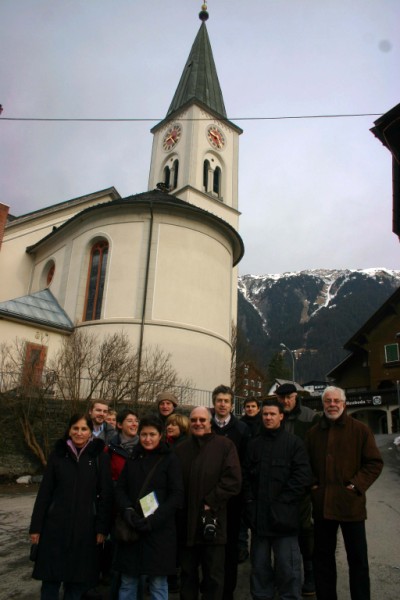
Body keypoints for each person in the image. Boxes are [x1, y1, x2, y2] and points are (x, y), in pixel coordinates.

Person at [305, 386, 383, 600]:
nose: (332, 404)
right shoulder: (313, 434)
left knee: (358, 560)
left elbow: (374, 463)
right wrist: (314, 486)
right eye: (328, 401)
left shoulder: (359, 430)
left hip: (351, 506)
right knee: (323, 560)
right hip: (323, 506)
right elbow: (305, 465)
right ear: (323, 405)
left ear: (344, 404)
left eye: (336, 401)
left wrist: (356, 485)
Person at [29, 413, 113, 600]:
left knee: (76, 584)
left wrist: (101, 528)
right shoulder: (58, 455)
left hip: (86, 528)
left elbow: (106, 496)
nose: (79, 433)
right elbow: (45, 492)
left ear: (91, 432)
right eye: (75, 428)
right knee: (50, 581)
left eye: (84, 429)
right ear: (69, 430)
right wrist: (36, 526)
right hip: (55, 527)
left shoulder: (99, 457)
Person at [243, 399, 312, 600]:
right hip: (259, 521)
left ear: (281, 416)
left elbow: (302, 478)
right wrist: (249, 503)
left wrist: (282, 503)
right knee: (260, 569)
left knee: (288, 569)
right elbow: (245, 476)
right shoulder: (254, 445)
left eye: (273, 414)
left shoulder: (294, 444)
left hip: (285, 520)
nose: (268, 417)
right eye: (265, 414)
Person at [174, 406, 242, 600]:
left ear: (210, 422)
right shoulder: (180, 449)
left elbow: (233, 480)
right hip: (186, 523)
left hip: (212, 521)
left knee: (213, 576)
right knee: (187, 575)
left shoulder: (225, 446)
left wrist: (210, 501)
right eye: (194, 420)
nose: (198, 423)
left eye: (202, 420)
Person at [113, 416, 184, 600]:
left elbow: (176, 495)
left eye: (152, 434)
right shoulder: (133, 458)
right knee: (128, 582)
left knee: (158, 584)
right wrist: (127, 510)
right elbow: (120, 489)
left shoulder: (170, 460)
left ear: (160, 435)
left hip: (159, 531)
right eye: (143, 434)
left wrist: (154, 520)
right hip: (133, 529)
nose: (147, 439)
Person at [275, 382, 320, 595]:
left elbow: (318, 452)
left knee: (306, 531)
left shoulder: (310, 417)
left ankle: (310, 573)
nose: (286, 401)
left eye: (289, 397)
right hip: (280, 485)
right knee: (282, 530)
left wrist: (313, 479)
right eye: (282, 398)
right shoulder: (275, 417)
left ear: (296, 396)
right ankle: (284, 575)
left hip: (303, 484)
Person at [211, 384, 250, 600]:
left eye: (226, 401)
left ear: (231, 403)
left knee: (230, 546)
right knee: (209, 546)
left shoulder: (242, 429)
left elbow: (245, 463)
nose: (223, 404)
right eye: (219, 401)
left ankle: (228, 591)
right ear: (214, 402)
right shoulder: (206, 425)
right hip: (209, 497)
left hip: (233, 498)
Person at [238, 397, 262, 563]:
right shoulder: (241, 424)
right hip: (243, 468)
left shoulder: (263, 423)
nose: (250, 409)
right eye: (247, 406)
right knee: (242, 514)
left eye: (253, 406)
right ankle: (241, 547)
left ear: (258, 408)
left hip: (258, 469)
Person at [106, 409, 140, 481]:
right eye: (130, 421)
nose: (134, 424)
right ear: (119, 425)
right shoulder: (110, 449)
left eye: (136, 421)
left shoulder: (145, 447)